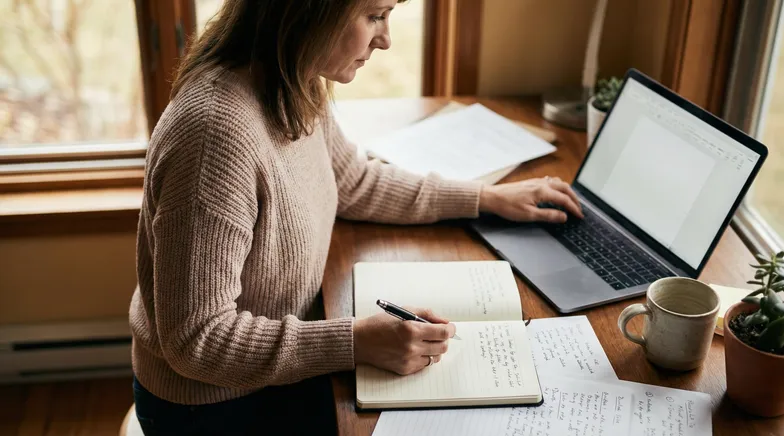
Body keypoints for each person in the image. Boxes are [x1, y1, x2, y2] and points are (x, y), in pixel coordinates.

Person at [129, 0, 583, 434]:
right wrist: (354, 342)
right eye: (375, 16)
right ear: (310, 11)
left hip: (273, 362)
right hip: (214, 407)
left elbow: (353, 182)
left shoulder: (293, 78)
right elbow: (198, 339)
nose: (385, 40)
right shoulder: (216, 137)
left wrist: (485, 198)